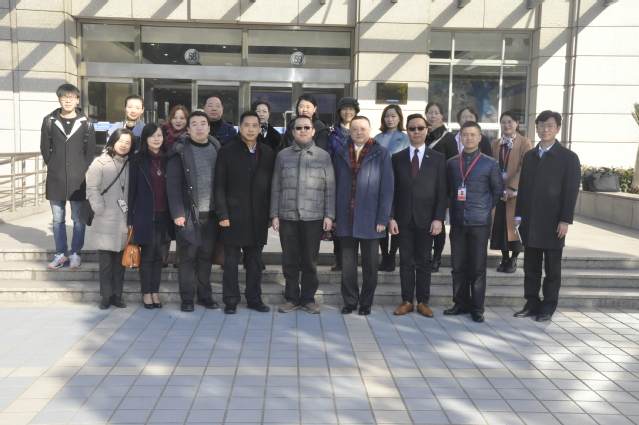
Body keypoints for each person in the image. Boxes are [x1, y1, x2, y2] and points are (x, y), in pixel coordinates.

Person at [514, 111, 580, 322]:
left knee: (552, 269)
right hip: (530, 221)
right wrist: (518, 216)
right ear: (536, 128)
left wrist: (565, 220)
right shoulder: (530, 156)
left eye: (550, 125)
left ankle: (548, 306)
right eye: (541, 125)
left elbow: (571, 192)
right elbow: (523, 188)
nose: (545, 129)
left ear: (558, 128)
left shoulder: (568, 158)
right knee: (531, 267)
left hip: (553, 222)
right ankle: (531, 303)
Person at [271, 115, 335, 314]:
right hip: (288, 217)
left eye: (307, 127)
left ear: (313, 131)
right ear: (293, 132)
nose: (303, 131)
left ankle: (308, 299)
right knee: (289, 261)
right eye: (298, 128)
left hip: (313, 217)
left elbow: (330, 188)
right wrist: (274, 215)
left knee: (310, 261)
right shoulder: (283, 156)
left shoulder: (323, 156)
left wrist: (329, 215)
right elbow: (276, 187)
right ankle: (291, 298)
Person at [215, 111, 275, 314]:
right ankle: (231, 300)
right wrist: (222, 214)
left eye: (254, 125)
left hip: (258, 216)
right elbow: (219, 185)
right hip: (232, 216)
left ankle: (254, 299)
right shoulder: (226, 151)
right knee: (231, 262)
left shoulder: (267, 153)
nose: (250, 129)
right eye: (246, 125)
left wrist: (270, 214)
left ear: (259, 128)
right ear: (239, 128)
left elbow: (271, 186)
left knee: (255, 262)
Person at [333, 116, 393, 316]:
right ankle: (350, 301)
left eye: (363, 128)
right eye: (355, 129)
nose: (359, 132)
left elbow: (387, 188)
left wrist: (383, 219)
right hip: (346, 216)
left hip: (371, 218)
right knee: (347, 265)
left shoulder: (381, 153)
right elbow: (334, 186)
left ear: (370, 130)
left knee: (370, 265)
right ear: (350, 131)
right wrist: (334, 216)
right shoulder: (341, 153)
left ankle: (366, 302)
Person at [444, 121, 503, 323]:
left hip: (479, 223)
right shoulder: (452, 163)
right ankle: (460, 303)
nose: (469, 138)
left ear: (480, 138)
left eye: (472, 134)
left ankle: (477, 308)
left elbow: (497, 191)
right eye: (465, 134)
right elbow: (447, 190)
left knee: (477, 268)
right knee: (458, 266)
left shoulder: (490, 163)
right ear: (460, 138)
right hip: (458, 222)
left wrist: (484, 208)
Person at [389, 114, 446, 317]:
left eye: (420, 128)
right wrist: (391, 217)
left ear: (426, 130)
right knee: (405, 261)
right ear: (407, 131)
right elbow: (392, 191)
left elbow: (442, 191)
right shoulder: (397, 158)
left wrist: (438, 218)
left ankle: (423, 302)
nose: (416, 132)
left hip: (427, 219)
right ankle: (407, 301)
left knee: (423, 261)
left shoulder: (437, 158)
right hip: (403, 219)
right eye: (412, 128)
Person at [166, 110, 222, 312]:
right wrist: (177, 213)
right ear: (188, 129)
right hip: (189, 214)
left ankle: (205, 296)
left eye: (203, 124)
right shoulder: (180, 152)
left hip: (212, 214)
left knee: (205, 257)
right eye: (195, 124)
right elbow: (173, 185)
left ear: (209, 127)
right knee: (188, 258)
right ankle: (187, 298)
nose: (199, 127)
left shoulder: (217, 148)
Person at [40, 83, 96, 270]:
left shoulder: (86, 123)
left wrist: (81, 168)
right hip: (55, 178)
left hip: (77, 179)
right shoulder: (49, 120)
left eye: (72, 97)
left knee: (78, 220)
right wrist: (53, 165)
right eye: (64, 97)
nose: (68, 100)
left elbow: (89, 151)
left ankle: (75, 254)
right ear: (59, 99)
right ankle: (61, 254)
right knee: (58, 219)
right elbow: (45, 148)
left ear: (77, 100)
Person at [86, 128, 133, 310]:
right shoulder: (100, 162)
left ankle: (117, 295)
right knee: (105, 262)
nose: (123, 145)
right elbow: (92, 188)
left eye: (128, 142)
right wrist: (100, 208)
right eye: (120, 141)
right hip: (105, 218)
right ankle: (105, 296)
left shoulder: (131, 163)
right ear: (113, 141)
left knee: (120, 262)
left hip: (124, 218)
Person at [128, 123, 170, 309]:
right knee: (147, 256)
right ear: (145, 139)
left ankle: (155, 292)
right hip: (145, 216)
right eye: (152, 136)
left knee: (159, 255)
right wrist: (130, 219)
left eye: (159, 135)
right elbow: (131, 192)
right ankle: (146, 293)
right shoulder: (137, 160)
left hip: (164, 215)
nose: (156, 139)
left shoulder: (168, 159)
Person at [490, 111, 532, 273]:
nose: (506, 125)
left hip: (515, 193)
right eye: (503, 122)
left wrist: (512, 187)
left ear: (517, 123)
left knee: (513, 227)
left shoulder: (524, 142)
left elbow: (525, 167)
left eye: (510, 122)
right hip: (499, 192)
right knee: (500, 226)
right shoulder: (496, 143)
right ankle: (505, 258)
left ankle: (513, 259)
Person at [374, 104, 410, 272]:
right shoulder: (377, 137)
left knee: (396, 221)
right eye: (387, 116)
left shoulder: (405, 138)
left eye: (394, 116)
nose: (390, 119)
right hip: (379, 183)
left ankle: (392, 256)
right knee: (381, 220)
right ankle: (384, 256)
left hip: (399, 182)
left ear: (399, 118)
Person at [327, 97, 360, 273]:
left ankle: (351, 257)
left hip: (356, 180)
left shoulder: (360, 130)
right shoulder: (332, 132)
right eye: (344, 109)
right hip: (337, 179)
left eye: (351, 109)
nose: (348, 112)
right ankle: (338, 257)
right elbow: (328, 154)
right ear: (339, 112)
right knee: (338, 220)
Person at [425, 101, 457, 272]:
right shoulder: (421, 133)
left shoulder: (448, 137)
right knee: (424, 222)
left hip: (441, 187)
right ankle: (425, 255)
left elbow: (453, 162)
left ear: (442, 115)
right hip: (423, 187)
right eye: (430, 112)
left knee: (438, 222)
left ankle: (437, 257)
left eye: (436, 113)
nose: (433, 116)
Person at [161, 105, 189, 268]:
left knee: (180, 222)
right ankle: (165, 255)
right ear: (170, 119)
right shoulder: (162, 134)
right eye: (175, 117)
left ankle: (178, 257)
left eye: (182, 118)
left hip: (182, 185)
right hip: (163, 183)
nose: (178, 121)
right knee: (166, 222)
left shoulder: (189, 136)